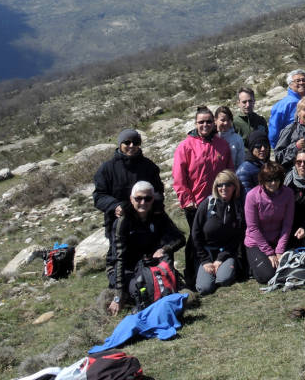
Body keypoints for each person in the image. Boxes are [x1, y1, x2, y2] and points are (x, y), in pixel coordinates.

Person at [93, 128, 164, 290]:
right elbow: (99, 196)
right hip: (118, 224)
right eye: (127, 142)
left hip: (146, 223)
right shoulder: (107, 169)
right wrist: (114, 206)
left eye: (136, 142)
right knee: (120, 259)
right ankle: (120, 289)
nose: (131, 146)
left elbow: (158, 191)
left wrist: (155, 205)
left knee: (148, 259)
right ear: (120, 144)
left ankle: (150, 284)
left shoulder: (149, 166)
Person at [173, 106, 232, 290]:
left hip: (219, 200)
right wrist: (186, 199)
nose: (205, 125)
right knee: (196, 238)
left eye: (208, 121)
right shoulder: (186, 146)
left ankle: (219, 266)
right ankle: (192, 275)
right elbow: (179, 176)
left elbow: (229, 171)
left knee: (218, 234)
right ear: (195, 124)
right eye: (201, 122)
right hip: (195, 203)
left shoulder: (221, 144)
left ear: (213, 122)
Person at [108, 181, 185, 316]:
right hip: (128, 268)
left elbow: (180, 238)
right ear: (131, 199)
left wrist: (166, 248)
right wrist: (118, 295)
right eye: (138, 198)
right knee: (141, 290)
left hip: (150, 264)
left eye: (147, 198)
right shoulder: (123, 221)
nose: (143, 202)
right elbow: (119, 259)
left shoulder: (158, 215)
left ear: (152, 199)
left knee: (159, 278)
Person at [190, 170, 246, 296]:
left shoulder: (237, 208)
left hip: (226, 252)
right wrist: (205, 261)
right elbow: (195, 234)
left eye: (227, 184)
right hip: (206, 252)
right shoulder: (207, 205)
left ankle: (226, 268)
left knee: (224, 280)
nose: (223, 188)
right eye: (220, 185)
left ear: (235, 186)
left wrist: (220, 259)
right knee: (205, 288)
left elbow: (237, 237)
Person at [244, 162, 294, 284]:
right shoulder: (252, 196)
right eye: (269, 180)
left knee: (290, 268)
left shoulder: (288, 194)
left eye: (276, 179)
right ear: (263, 180)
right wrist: (269, 253)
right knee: (267, 276)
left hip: (277, 239)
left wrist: (279, 250)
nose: (273, 183)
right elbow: (253, 227)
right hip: (257, 242)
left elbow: (287, 224)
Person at [273, 96, 305, 168]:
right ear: (299, 112)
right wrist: (296, 147)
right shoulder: (290, 129)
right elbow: (278, 157)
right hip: (293, 174)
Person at [268, 69, 305, 146]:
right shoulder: (283, 105)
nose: (302, 83)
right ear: (290, 84)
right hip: (290, 149)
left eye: (304, 80)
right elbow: (274, 131)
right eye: (298, 81)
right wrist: (278, 149)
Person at [236, 130, 271, 194]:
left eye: (266, 145)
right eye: (258, 146)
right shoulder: (243, 171)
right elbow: (247, 198)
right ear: (252, 148)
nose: (263, 149)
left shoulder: (270, 166)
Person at [215, 105, 245, 170]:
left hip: (231, 176)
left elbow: (240, 163)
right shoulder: (210, 138)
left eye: (228, 120)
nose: (225, 123)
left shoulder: (237, 139)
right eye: (222, 120)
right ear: (215, 120)